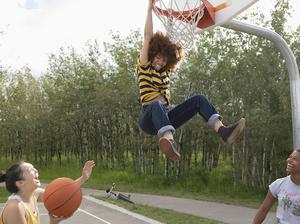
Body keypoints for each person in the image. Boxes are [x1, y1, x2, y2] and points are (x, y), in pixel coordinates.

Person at [137, 0, 245, 161]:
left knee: (199, 99)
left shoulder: (165, 72)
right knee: (156, 104)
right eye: (158, 58)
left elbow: (171, 41)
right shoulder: (145, 66)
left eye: (164, 60)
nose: (160, 62)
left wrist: (171, 18)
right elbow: (148, 36)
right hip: (149, 117)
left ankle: (223, 131)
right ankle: (167, 139)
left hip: (166, 116)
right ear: (153, 55)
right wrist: (148, 8)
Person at [0, 160, 95, 224]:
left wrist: (83, 178)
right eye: (30, 170)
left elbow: (61, 193)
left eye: (34, 168)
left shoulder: (33, 194)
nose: (36, 170)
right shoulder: (15, 208)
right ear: (20, 183)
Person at [252, 149, 300, 224]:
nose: (289, 160)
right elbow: (263, 210)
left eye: (295, 159)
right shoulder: (278, 184)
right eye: (290, 157)